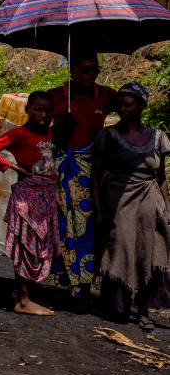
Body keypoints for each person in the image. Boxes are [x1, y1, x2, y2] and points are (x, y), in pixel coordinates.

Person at [92, 83, 170, 329]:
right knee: (121, 250)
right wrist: (99, 209)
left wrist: (166, 206)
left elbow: (161, 176)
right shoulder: (109, 135)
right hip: (118, 202)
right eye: (119, 105)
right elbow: (96, 175)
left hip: (150, 202)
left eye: (128, 105)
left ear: (142, 107)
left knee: (149, 252)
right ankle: (118, 307)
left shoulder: (157, 137)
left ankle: (145, 309)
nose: (121, 109)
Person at [0, 90, 59, 316]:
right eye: (39, 110)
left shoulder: (50, 132)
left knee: (39, 247)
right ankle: (22, 300)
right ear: (27, 110)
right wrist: (11, 166)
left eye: (49, 111)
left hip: (46, 196)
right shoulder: (18, 134)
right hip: (27, 198)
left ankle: (29, 294)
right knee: (24, 246)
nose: (44, 115)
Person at [45, 55, 115, 303]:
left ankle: (83, 283)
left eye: (95, 70)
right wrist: (57, 129)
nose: (91, 74)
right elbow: (35, 126)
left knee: (85, 227)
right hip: (60, 170)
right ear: (72, 69)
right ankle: (61, 280)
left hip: (90, 172)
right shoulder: (55, 96)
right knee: (60, 225)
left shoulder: (106, 95)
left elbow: (129, 114)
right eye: (85, 70)